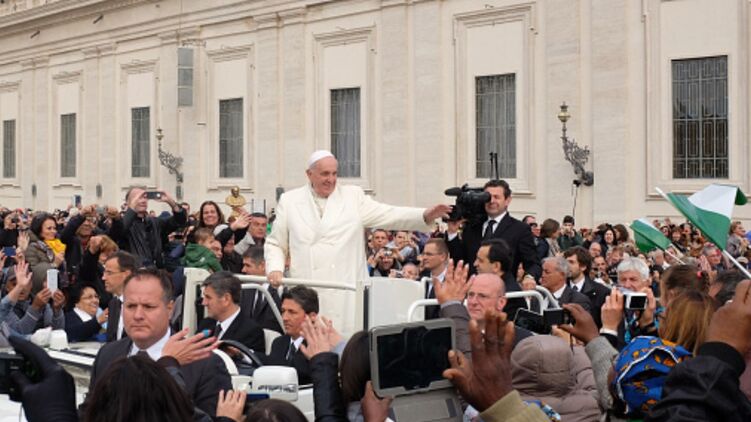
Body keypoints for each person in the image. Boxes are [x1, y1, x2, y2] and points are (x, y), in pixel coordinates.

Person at [264, 150, 450, 334]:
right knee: (307, 344)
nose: (331, 179)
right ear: (309, 174)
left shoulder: (352, 197)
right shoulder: (290, 201)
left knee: (345, 343)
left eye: (334, 173)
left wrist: (425, 215)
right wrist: (275, 268)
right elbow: (275, 243)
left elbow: (389, 214)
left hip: (345, 294)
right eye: (325, 174)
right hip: (307, 292)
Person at [85, 267, 232, 417]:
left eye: (148, 307)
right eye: (131, 306)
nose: (138, 315)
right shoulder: (107, 354)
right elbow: (89, 413)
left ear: (170, 309)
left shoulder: (205, 364)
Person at [447, 179, 541, 284]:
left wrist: (529, 277)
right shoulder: (472, 227)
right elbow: (460, 260)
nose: (491, 201)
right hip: (473, 289)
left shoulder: (520, 229)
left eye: (497, 197)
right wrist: (452, 232)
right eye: (488, 197)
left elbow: (533, 263)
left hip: (503, 290)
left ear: (507, 200)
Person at [108, 187, 186, 268]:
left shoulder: (155, 222)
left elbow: (180, 221)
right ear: (127, 202)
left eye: (145, 197)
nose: (143, 200)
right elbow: (118, 233)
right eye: (138, 197)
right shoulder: (122, 224)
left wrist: (171, 202)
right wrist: (132, 208)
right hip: (135, 271)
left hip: (157, 271)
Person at [262, 285, 320, 384]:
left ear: (312, 316)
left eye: (292, 312)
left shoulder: (318, 346)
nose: (285, 318)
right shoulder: (278, 343)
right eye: (283, 311)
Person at [197, 271, 265, 352]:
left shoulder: (251, 332)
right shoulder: (205, 324)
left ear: (226, 299)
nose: (204, 303)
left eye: (208, 297)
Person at [3, 261, 65, 335]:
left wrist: (57, 311)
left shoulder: (42, 303)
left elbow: (57, 333)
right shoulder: (4, 307)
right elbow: (17, 333)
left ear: (31, 284)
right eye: (14, 284)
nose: (21, 288)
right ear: (7, 287)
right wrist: (35, 308)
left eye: (25, 282)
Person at [563, 246, 611, 327]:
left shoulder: (602, 292)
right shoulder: (559, 288)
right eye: (565, 262)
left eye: (571, 262)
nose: (566, 266)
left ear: (583, 267)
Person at [240, 246, 283, 333]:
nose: (243, 270)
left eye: (248, 265)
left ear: (263, 265)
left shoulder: (281, 291)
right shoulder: (244, 290)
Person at [25, 212, 66, 294]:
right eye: (49, 228)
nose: (53, 231)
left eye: (54, 228)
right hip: (43, 293)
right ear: (39, 230)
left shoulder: (57, 244)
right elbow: (35, 274)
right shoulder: (32, 248)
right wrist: (54, 265)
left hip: (58, 289)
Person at [102, 251, 137, 342]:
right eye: (104, 272)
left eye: (109, 273)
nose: (103, 278)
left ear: (126, 274)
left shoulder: (142, 304)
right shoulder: (113, 303)